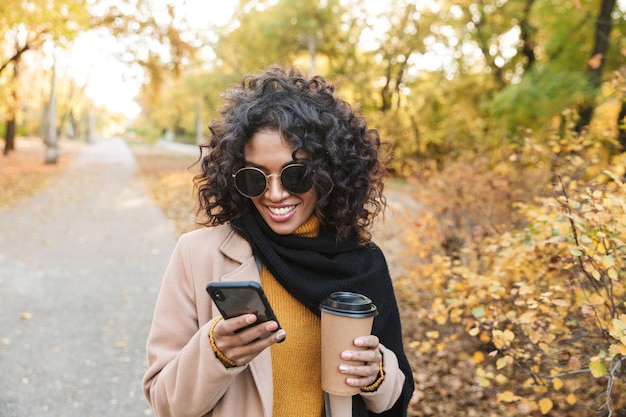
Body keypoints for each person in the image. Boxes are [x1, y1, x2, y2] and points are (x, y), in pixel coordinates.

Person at [142, 65, 414, 417]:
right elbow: (164, 401)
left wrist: (375, 374)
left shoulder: (364, 263)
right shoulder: (198, 255)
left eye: (296, 174)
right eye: (256, 178)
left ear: (330, 172)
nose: (274, 194)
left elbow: (397, 393)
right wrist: (215, 352)